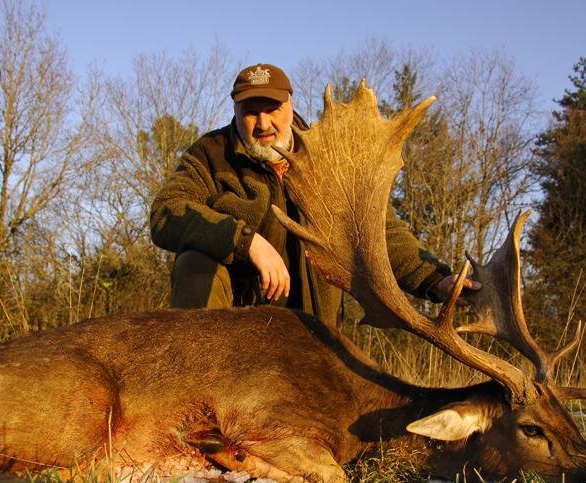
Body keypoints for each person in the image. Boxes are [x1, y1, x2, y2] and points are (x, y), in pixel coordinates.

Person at [150, 63, 477, 327]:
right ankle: (199, 390)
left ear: (290, 106)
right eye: (250, 111)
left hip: (312, 333)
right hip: (235, 332)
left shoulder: (332, 160)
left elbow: (380, 231)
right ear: (235, 110)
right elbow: (167, 211)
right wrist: (245, 241)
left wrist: (437, 280)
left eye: (272, 109)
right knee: (194, 262)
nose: (263, 123)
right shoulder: (211, 154)